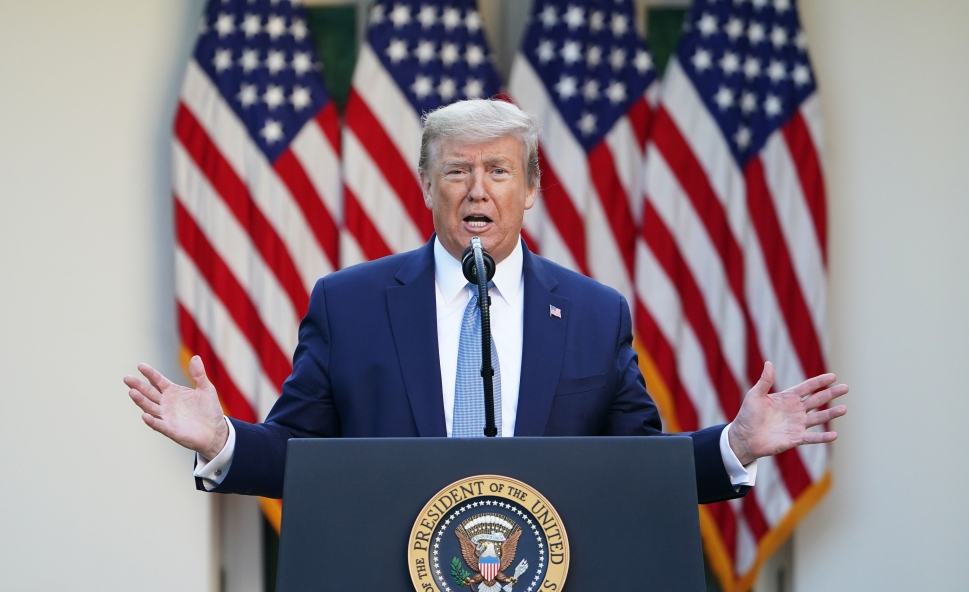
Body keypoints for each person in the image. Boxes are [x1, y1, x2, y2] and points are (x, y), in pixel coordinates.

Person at [124, 99, 847, 504]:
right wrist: (223, 440)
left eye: (499, 171)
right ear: (426, 185)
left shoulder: (594, 314)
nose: (477, 190)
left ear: (530, 190)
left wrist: (734, 445)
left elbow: (635, 467)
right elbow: (298, 457)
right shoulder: (350, 305)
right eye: (457, 172)